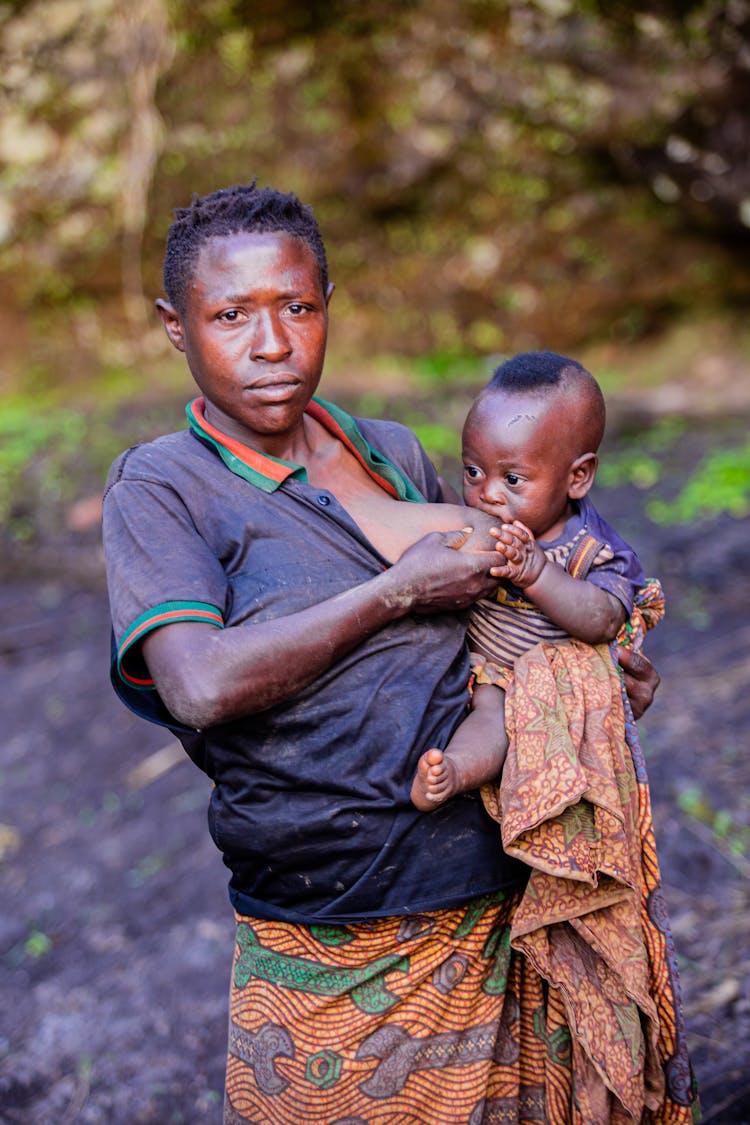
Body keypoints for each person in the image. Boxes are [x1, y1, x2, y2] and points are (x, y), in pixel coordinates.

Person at [102, 181, 697, 1123]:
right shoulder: (165, 489)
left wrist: (589, 681)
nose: (272, 345)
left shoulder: (393, 455)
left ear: (328, 303)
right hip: (332, 927)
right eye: (230, 315)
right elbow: (200, 683)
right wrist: (394, 591)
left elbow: (498, 639)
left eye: (297, 307)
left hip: (505, 896)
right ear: (176, 327)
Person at [339, 350, 664, 813]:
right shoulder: (480, 518)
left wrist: (536, 572)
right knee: (490, 715)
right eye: (473, 470)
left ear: (578, 476)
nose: (488, 492)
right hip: (490, 671)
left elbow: (604, 620)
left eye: (513, 478)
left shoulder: (595, 550)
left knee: (510, 718)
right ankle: (450, 771)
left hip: (549, 685)